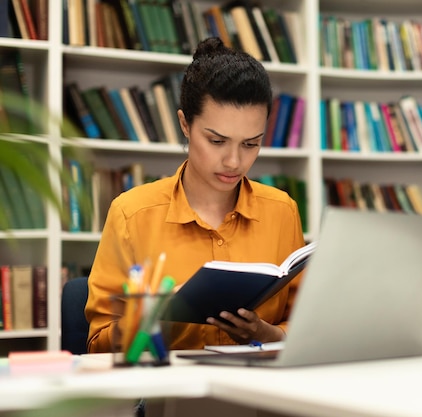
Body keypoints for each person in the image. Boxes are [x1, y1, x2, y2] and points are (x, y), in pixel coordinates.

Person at [85, 37, 306, 352]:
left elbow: (303, 330)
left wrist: (262, 332)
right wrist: (149, 320)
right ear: (185, 124)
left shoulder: (282, 211)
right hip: (167, 394)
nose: (234, 161)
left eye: (250, 143)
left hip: (258, 390)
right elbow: (97, 346)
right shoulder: (132, 214)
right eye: (216, 141)